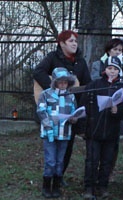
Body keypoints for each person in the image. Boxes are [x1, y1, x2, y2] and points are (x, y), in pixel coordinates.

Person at [32, 30, 91, 184]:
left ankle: (60, 175)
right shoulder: (52, 57)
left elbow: (87, 84)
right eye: (71, 41)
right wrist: (53, 91)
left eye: (76, 41)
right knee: (52, 146)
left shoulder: (81, 62)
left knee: (67, 144)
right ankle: (49, 175)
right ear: (62, 43)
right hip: (52, 110)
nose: (74, 44)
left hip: (69, 110)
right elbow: (38, 72)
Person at [82, 56, 123, 199]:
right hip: (94, 129)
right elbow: (85, 105)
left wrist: (118, 111)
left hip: (111, 131)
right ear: (104, 70)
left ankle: (103, 186)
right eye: (109, 68)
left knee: (107, 161)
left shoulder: (121, 88)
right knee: (92, 160)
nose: (112, 71)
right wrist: (84, 127)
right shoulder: (95, 85)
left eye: (115, 69)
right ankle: (89, 187)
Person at [36, 67, 79, 198]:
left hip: (64, 133)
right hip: (49, 133)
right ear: (55, 82)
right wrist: (48, 124)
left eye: (65, 82)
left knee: (60, 160)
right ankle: (46, 186)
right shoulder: (46, 94)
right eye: (60, 82)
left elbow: (74, 112)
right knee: (50, 160)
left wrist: (74, 118)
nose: (62, 85)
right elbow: (41, 111)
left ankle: (56, 186)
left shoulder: (70, 96)